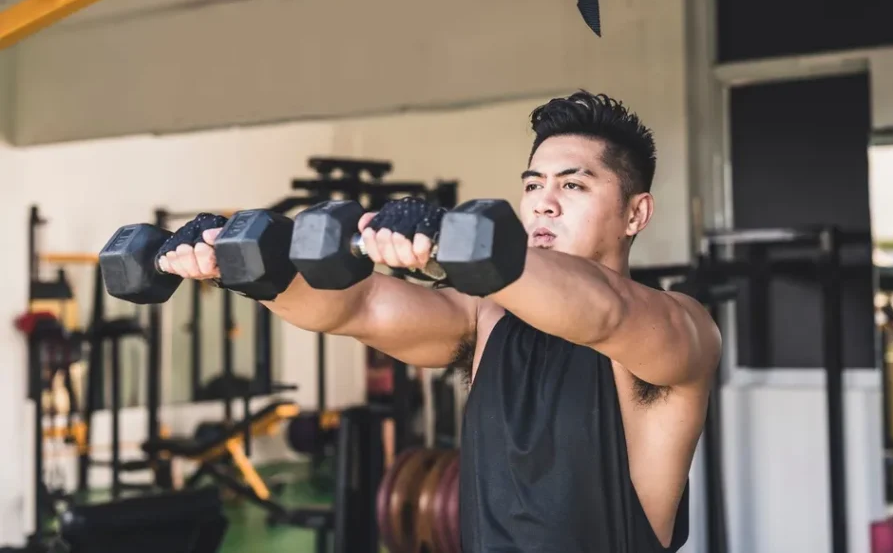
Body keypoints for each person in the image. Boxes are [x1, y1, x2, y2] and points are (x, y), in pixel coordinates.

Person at [158, 91, 722, 553]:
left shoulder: (677, 330)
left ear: (636, 213)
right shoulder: (488, 316)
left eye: (572, 185)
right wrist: (245, 267)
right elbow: (359, 306)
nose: (543, 204)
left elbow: (605, 311)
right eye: (532, 185)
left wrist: (449, 243)